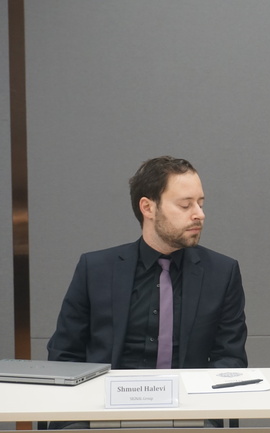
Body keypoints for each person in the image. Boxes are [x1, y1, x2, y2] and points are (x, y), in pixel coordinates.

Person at [48, 157, 248, 390]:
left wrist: (194, 395)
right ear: (148, 208)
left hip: (190, 403)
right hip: (105, 402)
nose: (199, 214)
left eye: (200, 204)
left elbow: (231, 359)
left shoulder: (222, 273)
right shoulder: (95, 270)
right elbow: (64, 355)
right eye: (185, 205)